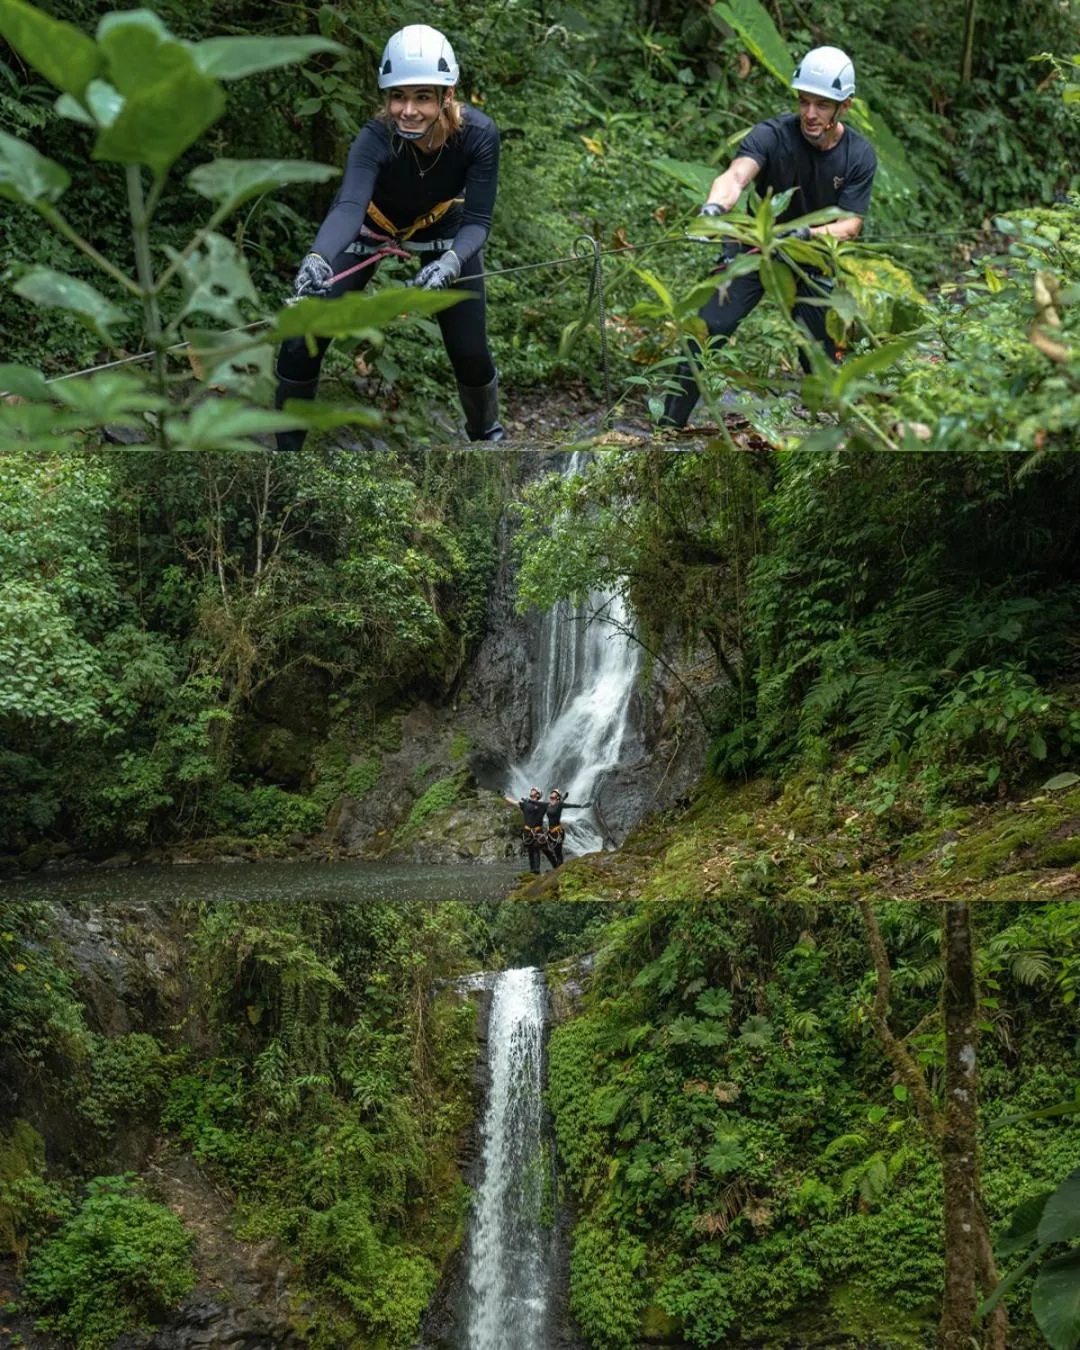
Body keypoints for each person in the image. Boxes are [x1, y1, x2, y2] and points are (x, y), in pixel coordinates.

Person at [275, 24, 505, 450]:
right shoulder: (375, 138)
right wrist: (319, 257)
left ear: (446, 96)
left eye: (422, 97)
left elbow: (477, 219)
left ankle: (489, 440)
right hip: (372, 223)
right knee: (302, 334)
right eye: (398, 96)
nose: (408, 110)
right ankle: (287, 453)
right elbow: (349, 206)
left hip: (447, 229)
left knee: (469, 349)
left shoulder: (478, 136)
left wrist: (452, 262)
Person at [660, 46, 877, 428]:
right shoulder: (772, 134)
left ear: (844, 106)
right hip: (755, 248)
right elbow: (736, 176)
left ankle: (821, 430)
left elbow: (849, 225)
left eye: (822, 105)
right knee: (710, 327)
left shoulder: (858, 155)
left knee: (820, 350)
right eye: (805, 101)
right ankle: (668, 425)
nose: (810, 114)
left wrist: (803, 232)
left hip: (811, 256)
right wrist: (713, 209)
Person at [504, 786, 553, 874]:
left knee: (536, 849)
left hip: (537, 832)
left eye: (533, 790)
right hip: (527, 832)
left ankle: (537, 870)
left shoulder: (543, 805)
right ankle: (532, 870)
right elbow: (514, 803)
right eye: (531, 790)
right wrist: (504, 796)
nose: (531, 791)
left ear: (537, 794)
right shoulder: (525, 804)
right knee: (530, 851)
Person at [544, 787, 589, 868]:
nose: (552, 799)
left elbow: (569, 805)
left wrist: (581, 806)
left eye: (553, 797)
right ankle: (555, 866)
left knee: (558, 852)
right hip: (549, 832)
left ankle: (559, 869)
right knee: (546, 849)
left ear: (557, 798)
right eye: (551, 797)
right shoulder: (549, 806)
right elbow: (555, 805)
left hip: (557, 832)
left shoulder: (560, 804)